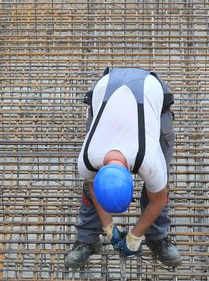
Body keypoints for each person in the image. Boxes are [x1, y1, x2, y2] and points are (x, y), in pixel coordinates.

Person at [65, 67, 182, 269]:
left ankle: (157, 237)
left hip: (150, 92)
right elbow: (93, 189)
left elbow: (159, 199)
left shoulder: (149, 160)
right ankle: (87, 238)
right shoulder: (88, 159)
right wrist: (108, 228)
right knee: (87, 188)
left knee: (157, 185)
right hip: (105, 92)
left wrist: (135, 234)